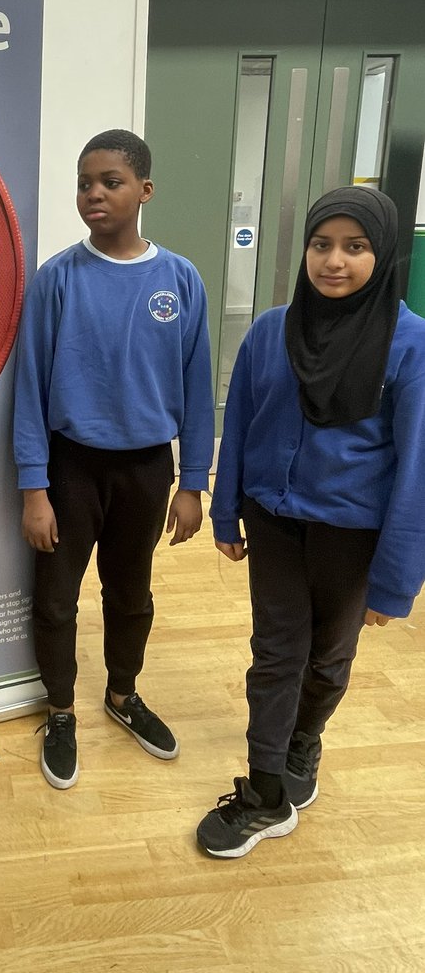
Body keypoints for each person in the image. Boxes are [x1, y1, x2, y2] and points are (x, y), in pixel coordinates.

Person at [197, 185, 425, 859]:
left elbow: (416, 471)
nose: (334, 261)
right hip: (273, 522)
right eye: (322, 244)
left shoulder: (411, 345)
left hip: (353, 538)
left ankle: (305, 737)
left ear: (382, 255)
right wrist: (225, 507)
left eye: (355, 248)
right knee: (276, 653)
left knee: (329, 658)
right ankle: (265, 793)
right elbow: (237, 423)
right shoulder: (272, 330)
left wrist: (394, 584)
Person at [13, 128, 214, 789]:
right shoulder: (57, 280)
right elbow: (31, 389)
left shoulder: (179, 280)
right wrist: (34, 486)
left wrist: (192, 482)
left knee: (131, 593)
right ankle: (62, 709)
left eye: (110, 182)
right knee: (56, 598)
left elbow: (197, 387)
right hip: (71, 468)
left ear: (144, 191)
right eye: (84, 183)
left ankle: (122, 695)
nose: (93, 194)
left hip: (147, 468)